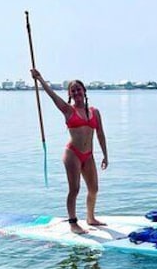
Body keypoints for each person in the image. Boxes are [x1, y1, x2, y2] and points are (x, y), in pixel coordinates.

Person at [30, 69, 108, 233]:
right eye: (73, 90)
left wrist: (105, 155)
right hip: (73, 154)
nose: (76, 92)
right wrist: (40, 79)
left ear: (84, 91)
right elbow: (52, 96)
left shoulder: (95, 112)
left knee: (93, 189)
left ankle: (90, 218)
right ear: (70, 94)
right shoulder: (68, 110)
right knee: (75, 189)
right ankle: (73, 223)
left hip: (89, 155)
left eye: (79, 89)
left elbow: (100, 134)